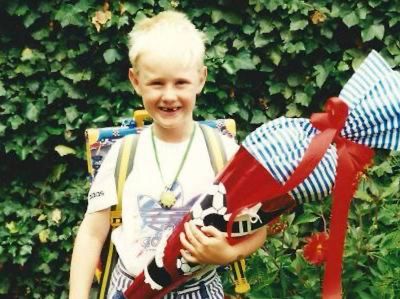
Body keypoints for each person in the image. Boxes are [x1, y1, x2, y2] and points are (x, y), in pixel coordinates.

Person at [69, 10, 267, 299]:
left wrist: (229, 252)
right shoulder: (123, 155)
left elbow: (256, 228)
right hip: (131, 288)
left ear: (200, 79)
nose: (169, 96)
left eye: (181, 83)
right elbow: (91, 234)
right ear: (136, 81)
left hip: (200, 289)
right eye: (157, 83)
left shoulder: (224, 152)